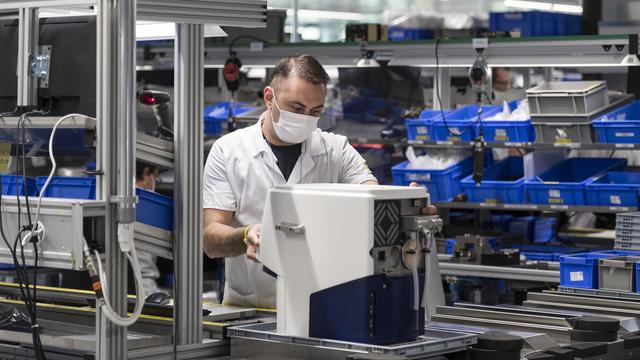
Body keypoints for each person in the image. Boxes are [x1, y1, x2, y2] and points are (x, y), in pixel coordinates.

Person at [203, 55, 435, 308]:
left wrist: (406, 209)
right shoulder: (228, 150)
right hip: (250, 307)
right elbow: (211, 239)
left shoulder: (336, 150)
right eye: (296, 108)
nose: (305, 119)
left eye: (315, 111)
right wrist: (247, 234)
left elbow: (373, 199)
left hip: (324, 307)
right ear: (269, 98)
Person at [135, 162, 162, 294]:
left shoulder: (103, 196)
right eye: (156, 177)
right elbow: (143, 273)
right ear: (146, 174)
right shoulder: (144, 208)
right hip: (141, 295)